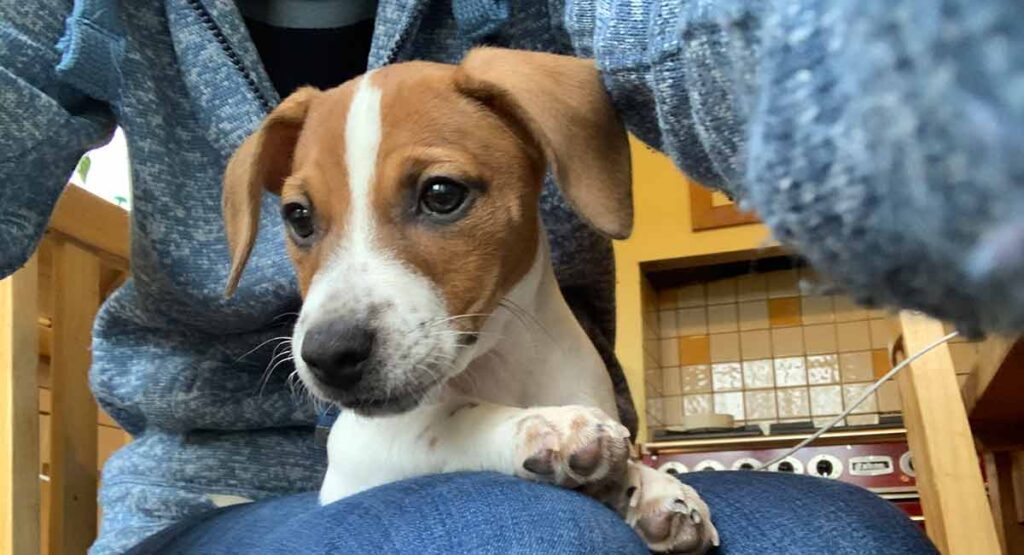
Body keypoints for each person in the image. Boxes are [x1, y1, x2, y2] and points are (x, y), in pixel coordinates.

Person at [2, 0, 1017, 552]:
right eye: (304, 221)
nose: (335, 314)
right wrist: (516, 445)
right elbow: (364, 462)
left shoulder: (528, 95)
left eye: (437, 195)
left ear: (546, 152)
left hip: (560, 443)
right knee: (519, 536)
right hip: (219, 497)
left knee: (847, 545)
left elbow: (705, 34)